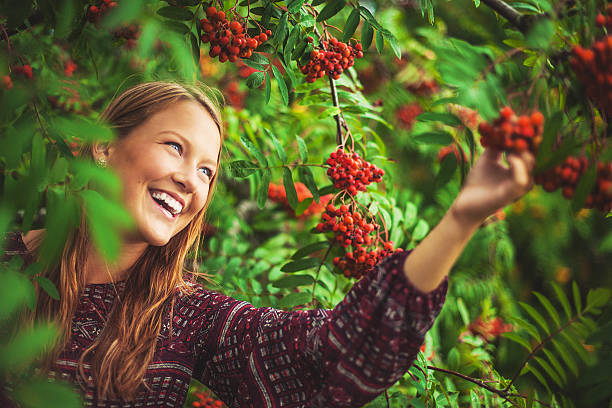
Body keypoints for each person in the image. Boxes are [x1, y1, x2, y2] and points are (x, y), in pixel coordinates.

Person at [5, 81, 535, 407]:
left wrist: (461, 220)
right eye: (175, 147)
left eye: (207, 170)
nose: (192, 179)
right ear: (103, 147)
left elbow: (335, 358)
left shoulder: (185, 319)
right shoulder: (9, 264)